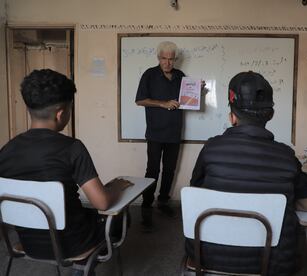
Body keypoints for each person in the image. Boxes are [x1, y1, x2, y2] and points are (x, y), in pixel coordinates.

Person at [186, 71, 307, 275]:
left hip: (207, 255)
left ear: (232, 117)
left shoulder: (211, 149)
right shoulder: (287, 157)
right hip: (273, 261)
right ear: (271, 115)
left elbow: (196, 192)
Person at [0, 69, 130, 276]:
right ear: (61, 113)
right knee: (121, 217)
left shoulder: (7, 149)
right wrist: (117, 187)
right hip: (73, 244)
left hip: (27, 242)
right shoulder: (72, 147)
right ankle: (82, 268)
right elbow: (102, 203)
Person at [135, 41, 185, 230]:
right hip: (155, 132)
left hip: (174, 131)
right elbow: (140, 100)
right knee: (153, 169)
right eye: (164, 58)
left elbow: (188, 99)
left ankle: (163, 202)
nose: (167, 62)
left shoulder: (180, 76)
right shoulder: (149, 74)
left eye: (171, 59)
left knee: (170, 169)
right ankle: (147, 204)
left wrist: (197, 90)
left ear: (175, 59)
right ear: (158, 58)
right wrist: (163, 103)